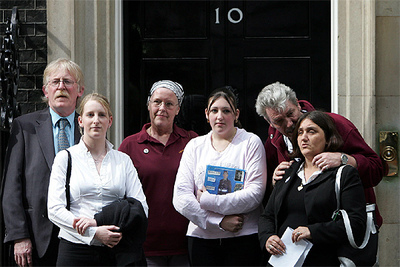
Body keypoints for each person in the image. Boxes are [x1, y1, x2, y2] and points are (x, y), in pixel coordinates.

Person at [255, 81, 384, 227]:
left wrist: (344, 159)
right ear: (269, 122)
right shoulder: (274, 140)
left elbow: (377, 169)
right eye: (279, 121)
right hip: (301, 233)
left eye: (291, 114)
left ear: (298, 104)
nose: (289, 124)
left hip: (348, 227)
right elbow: (268, 195)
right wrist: (275, 182)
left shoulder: (335, 123)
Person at [47, 93, 149, 266]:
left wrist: (112, 228)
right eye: (90, 115)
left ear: (110, 121)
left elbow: (141, 207)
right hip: (75, 248)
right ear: (80, 121)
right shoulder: (66, 158)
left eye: (101, 115)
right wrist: (93, 232)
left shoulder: (123, 160)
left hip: (116, 248)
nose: (96, 120)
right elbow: (55, 209)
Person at [1, 58, 85, 266]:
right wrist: (19, 235)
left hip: (79, 235)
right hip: (37, 236)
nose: (61, 87)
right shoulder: (24, 126)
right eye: (55, 82)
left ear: (80, 90)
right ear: (46, 91)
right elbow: (11, 186)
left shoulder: (90, 126)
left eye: (67, 81)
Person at [258, 110, 367, 266]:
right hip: (282, 261)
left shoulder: (344, 174)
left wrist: (313, 231)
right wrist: (267, 237)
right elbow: (267, 216)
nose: (304, 137)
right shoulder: (288, 171)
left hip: (323, 260)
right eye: (300, 132)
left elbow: (356, 224)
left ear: (328, 138)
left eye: (311, 131)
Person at [173, 86, 267, 266]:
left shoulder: (250, 143)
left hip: (243, 237)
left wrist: (208, 200)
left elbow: (254, 195)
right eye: (214, 110)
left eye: (226, 111)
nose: (220, 116)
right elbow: (181, 198)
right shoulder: (194, 146)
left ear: (236, 114)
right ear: (207, 114)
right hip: (201, 240)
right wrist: (219, 221)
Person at [119, 80, 197, 266]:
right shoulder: (130, 145)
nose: (162, 108)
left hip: (187, 244)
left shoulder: (192, 141)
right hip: (145, 246)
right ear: (148, 105)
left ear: (178, 109)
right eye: (157, 102)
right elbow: (118, 194)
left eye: (169, 104)